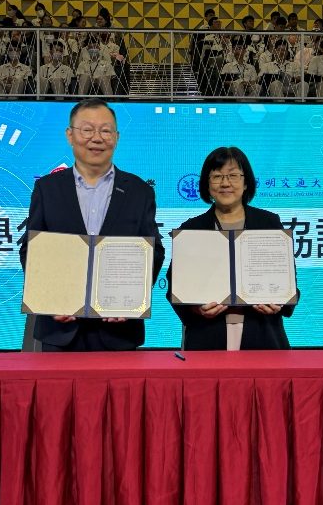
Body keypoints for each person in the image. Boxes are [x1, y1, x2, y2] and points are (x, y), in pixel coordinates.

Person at [19, 100, 165, 352]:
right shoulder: (47, 188)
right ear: (70, 135)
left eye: (106, 131)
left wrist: (131, 302)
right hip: (60, 328)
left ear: (116, 137)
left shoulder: (139, 190)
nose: (97, 138)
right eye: (87, 129)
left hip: (119, 330)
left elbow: (153, 251)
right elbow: (31, 250)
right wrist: (50, 299)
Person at [166, 147, 297, 351]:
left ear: (246, 183)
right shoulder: (191, 229)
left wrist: (279, 303)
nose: (225, 183)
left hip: (262, 335)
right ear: (207, 185)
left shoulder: (269, 223)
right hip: (207, 336)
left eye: (234, 175)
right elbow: (174, 286)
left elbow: (289, 284)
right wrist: (195, 309)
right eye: (217, 176)